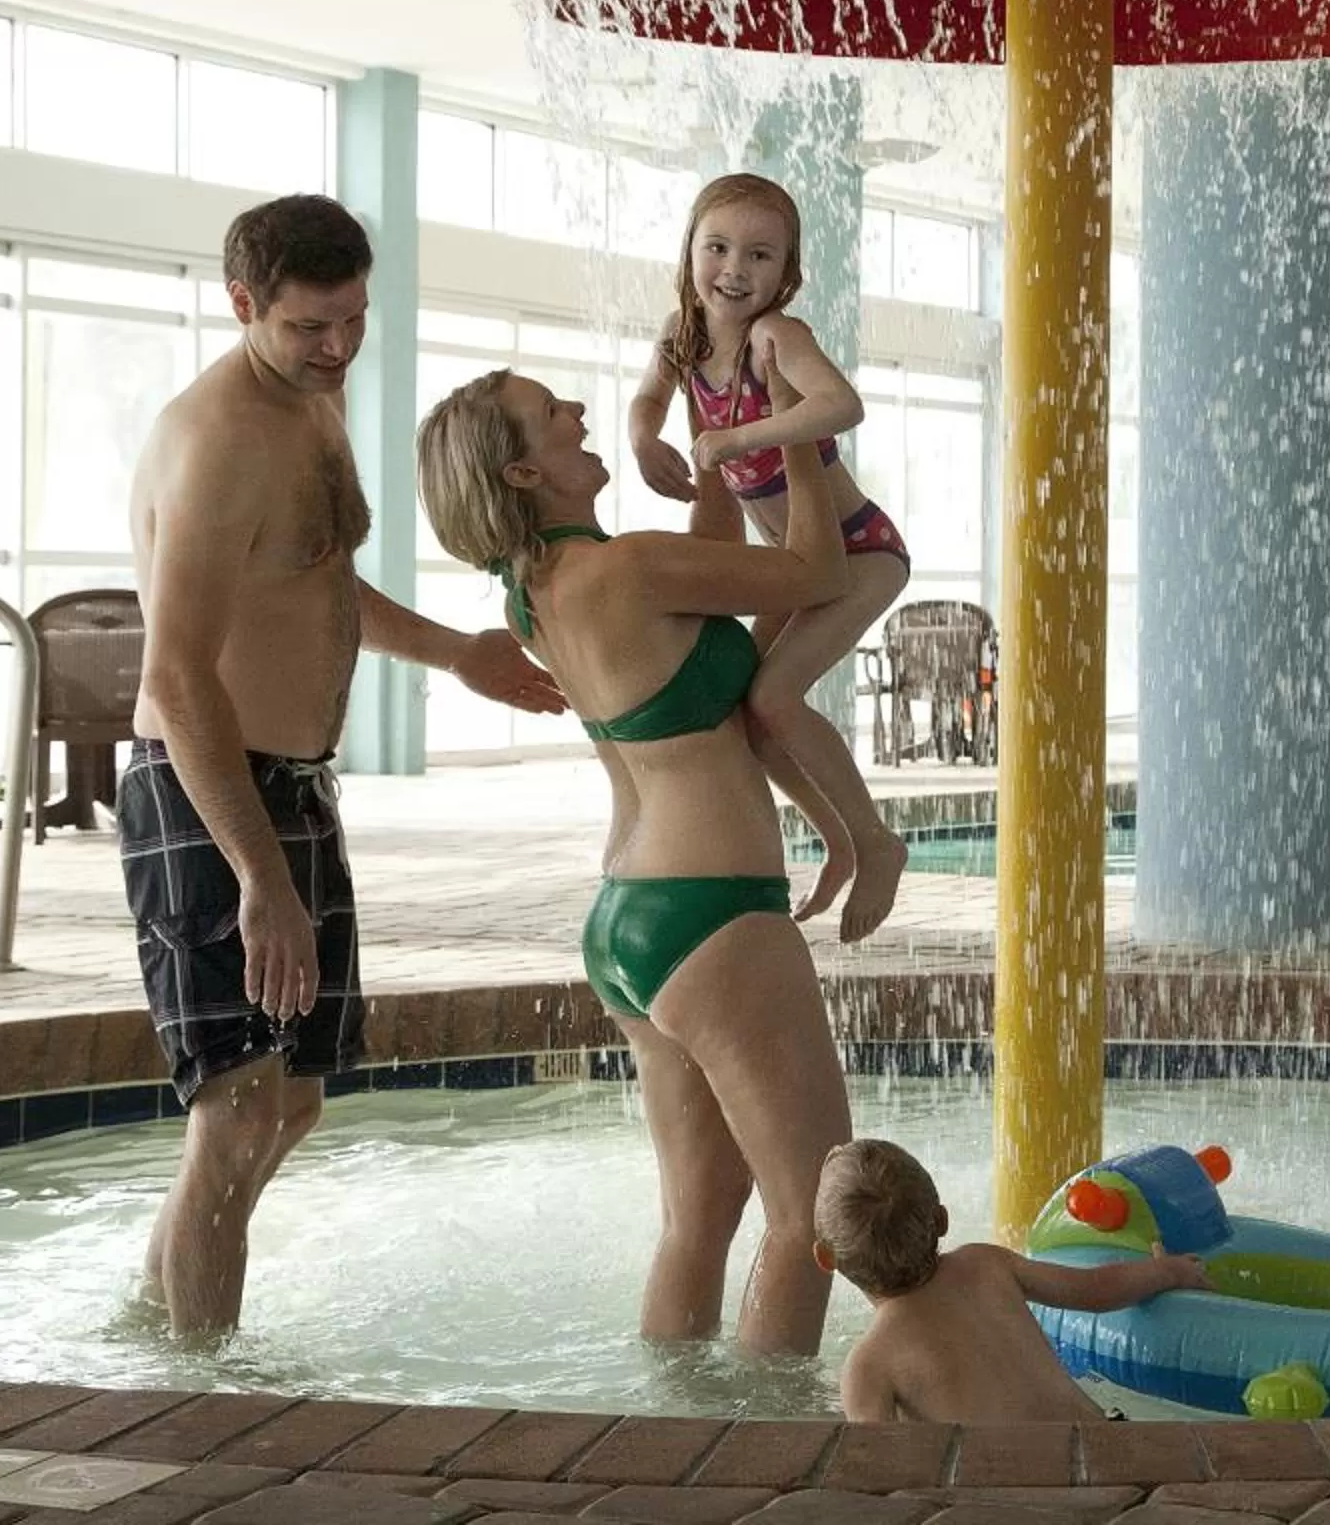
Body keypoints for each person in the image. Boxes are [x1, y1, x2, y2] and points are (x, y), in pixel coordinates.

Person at [123, 194, 564, 1342]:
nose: (338, 346)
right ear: (242, 304)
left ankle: (157, 1294)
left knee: (297, 1096)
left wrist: (455, 651)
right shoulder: (218, 441)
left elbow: (314, 587)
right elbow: (176, 676)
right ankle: (203, 1392)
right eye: (309, 326)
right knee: (238, 1106)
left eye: (354, 318)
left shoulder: (310, 404)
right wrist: (258, 876)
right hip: (205, 784)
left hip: (293, 784)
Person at [418, 360, 861, 1354]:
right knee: (815, 1215)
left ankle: (672, 1431)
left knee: (698, 1220)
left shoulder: (545, 591)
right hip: (715, 911)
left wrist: (714, 440)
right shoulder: (627, 571)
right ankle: (770, 1458)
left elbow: (701, 569)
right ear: (522, 474)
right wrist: (785, 428)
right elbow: (817, 574)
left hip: (631, 920)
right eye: (549, 414)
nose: (576, 411)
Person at [626, 174, 908, 943]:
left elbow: (841, 404)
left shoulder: (776, 338)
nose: (734, 269)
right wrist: (644, 438)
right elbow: (648, 398)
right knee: (746, 713)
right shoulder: (680, 339)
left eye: (758, 255)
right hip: (792, 560)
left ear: (785, 274)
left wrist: (737, 440)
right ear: (689, 250)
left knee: (777, 696)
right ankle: (840, 841)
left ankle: (877, 841)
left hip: (858, 550)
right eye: (717, 247)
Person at [816, 1138, 1211, 1422]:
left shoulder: (868, 1365)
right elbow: (1094, 1290)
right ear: (942, 1220)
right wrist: (1168, 1270)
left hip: (1009, 1494)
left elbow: (874, 1471)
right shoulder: (985, 1264)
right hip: (1102, 1443)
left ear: (826, 1259)